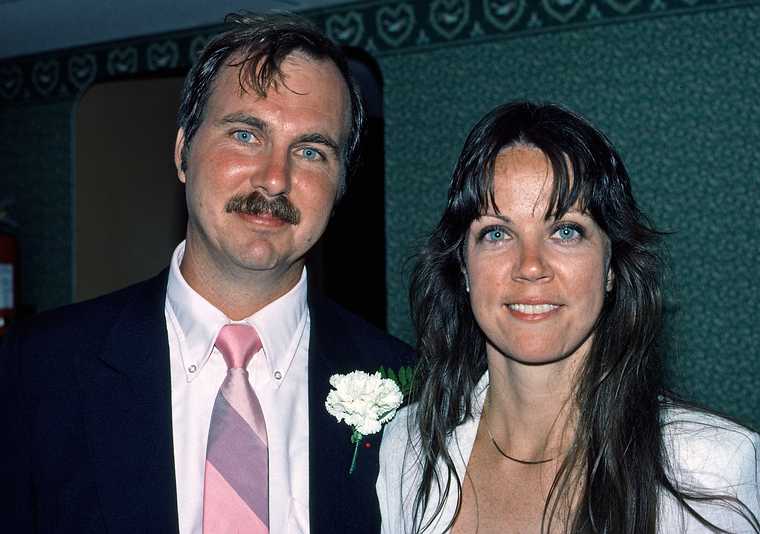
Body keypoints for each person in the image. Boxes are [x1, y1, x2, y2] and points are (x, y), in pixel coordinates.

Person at [0, 12, 412, 534]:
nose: (275, 178)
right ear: (182, 154)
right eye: (245, 134)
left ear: (340, 186)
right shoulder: (38, 370)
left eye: (310, 151)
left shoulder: (410, 391)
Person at [377, 101, 760, 533]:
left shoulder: (710, 468)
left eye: (565, 231)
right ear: (464, 267)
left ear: (611, 265)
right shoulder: (408, 448)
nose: (530, 265)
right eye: (497, 233)